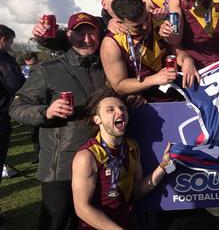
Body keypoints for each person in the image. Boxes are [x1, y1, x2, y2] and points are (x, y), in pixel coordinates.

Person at [9, 13, 106, 230]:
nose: (87, 39)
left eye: (91, 33)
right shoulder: (48, 69)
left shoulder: (107, 65)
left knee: (89, 222)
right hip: (61, 165)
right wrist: (45, 111)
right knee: (55, 223)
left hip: (101, 159)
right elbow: (16, 108)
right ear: (69, 35)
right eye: (80, 33)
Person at [71, 89, 173, 229]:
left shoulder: (131, 146)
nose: (119, 112)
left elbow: (137, 192)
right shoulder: (87, 156)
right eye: (110, 110)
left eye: (122, 108)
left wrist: (164, 166)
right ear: (97, 119)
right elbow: (82, 208)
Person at [100, 0, 179, 102]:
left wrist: (187, 60)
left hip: (179, 94)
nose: (145, 26)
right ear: (120, 20)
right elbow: (119, 85)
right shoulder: (112, 43)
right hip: (144, 104)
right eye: (137, 26)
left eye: (146, 18)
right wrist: (154, 79)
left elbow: (180, 50)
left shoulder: (160, 20)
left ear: (144, 4)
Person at [32, 0, 128, 52]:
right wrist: (45, 37)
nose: (121, 4)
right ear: (104, 5)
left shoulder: (142, 18)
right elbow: (69, 37)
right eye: (115, 2)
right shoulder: (99, 24)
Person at [0, 25, 25, 187]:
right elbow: (17, 85)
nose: (10, 46)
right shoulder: (4, 61)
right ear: (3, 40)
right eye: (10, 43)